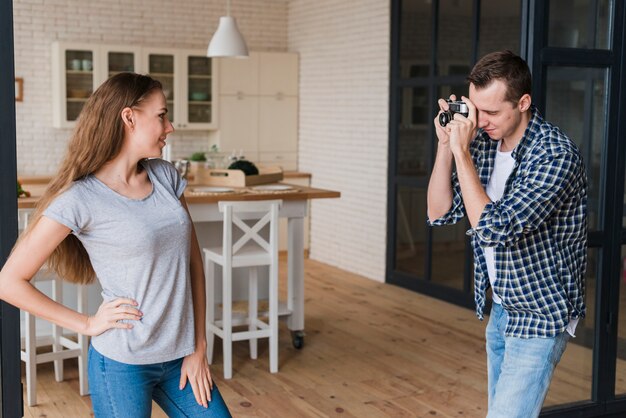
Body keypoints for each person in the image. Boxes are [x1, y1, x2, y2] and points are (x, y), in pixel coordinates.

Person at [0, 72, 232, 417]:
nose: (169, 127)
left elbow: (193, 263)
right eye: (161, 116)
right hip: (122, 364)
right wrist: (88, 324)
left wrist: (198, 347)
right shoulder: (80, 198)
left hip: (181, 357)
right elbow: (8, 282)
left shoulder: (165, 176)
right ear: (129, 117)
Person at [427, 50, 587, 417]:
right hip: (501, 307)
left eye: (492, 112)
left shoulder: (555, 154)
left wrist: (462, 153)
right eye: (476, 110)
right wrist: (445, 146)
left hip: (540, 313)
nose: (480, 122)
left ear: (524, 102)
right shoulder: (483, 143)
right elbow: (438, 213)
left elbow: (495, 228)